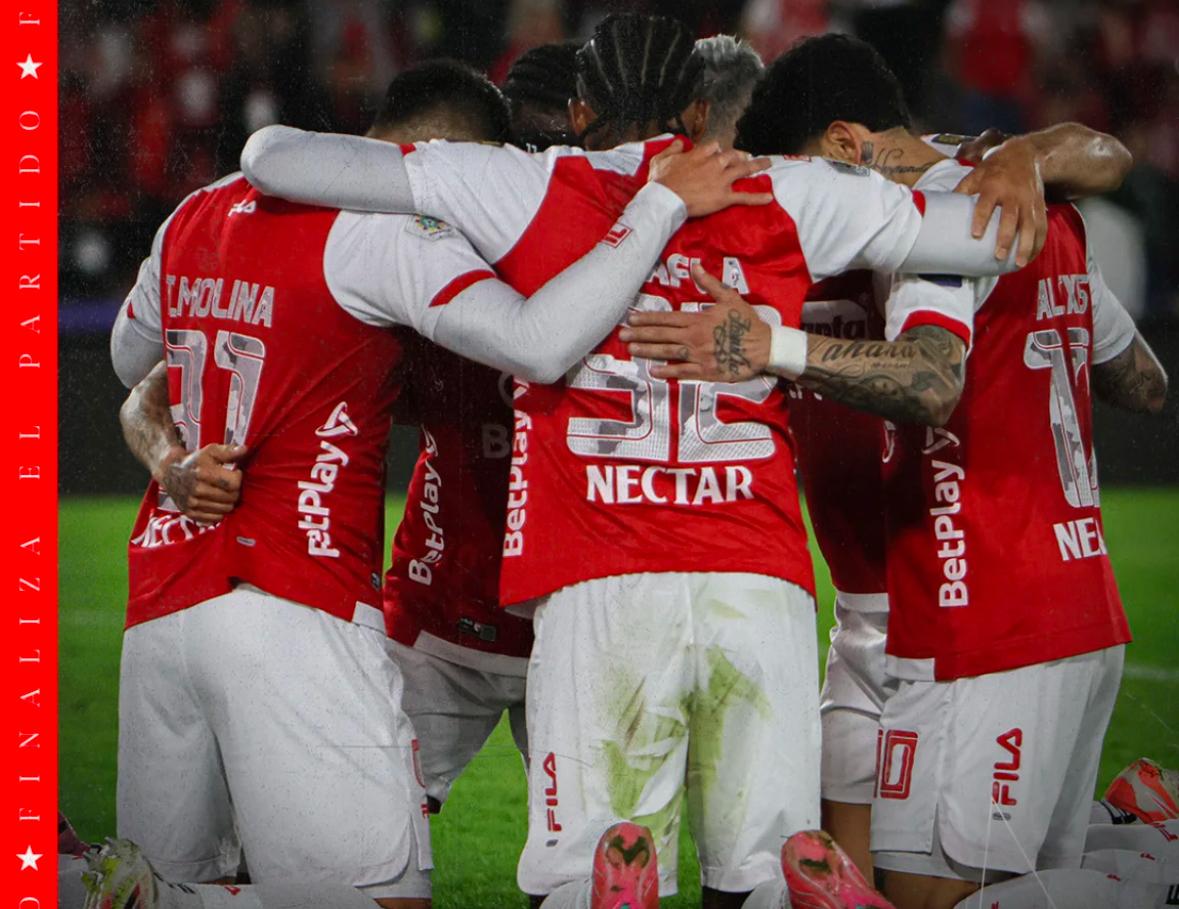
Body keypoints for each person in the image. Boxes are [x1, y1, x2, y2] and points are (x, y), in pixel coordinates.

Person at [237, 14, 1046, 908]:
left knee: (589, 872)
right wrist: (1014, 158)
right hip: (755, 577)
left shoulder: (526, 185)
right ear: (699, 110)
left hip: (601, 579)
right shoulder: (783, 189)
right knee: (765, 876)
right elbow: (991, 240)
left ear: (580, 110)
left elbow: (274, 158)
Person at [97, 58, 763, 909]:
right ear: (439, 152)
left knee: (199, 873)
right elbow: (537, 343)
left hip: (163, 599)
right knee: (381, 896)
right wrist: (657, 205)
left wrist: (167, 460)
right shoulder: (388, 232)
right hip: (294, 594)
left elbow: (134, 364)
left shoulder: (196, 209)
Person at [621, 32, 1170, 909]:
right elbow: (1141, 380)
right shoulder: (1024, 204)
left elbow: (927, 381)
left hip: (972, 608)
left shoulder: (944, 217)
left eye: (808, 174)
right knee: (868, 882)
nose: (802, 204)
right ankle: (1134, 842)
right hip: (1026, 601)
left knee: (928, 901)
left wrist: (774, 347)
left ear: (846, 143)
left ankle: (1150, 864)